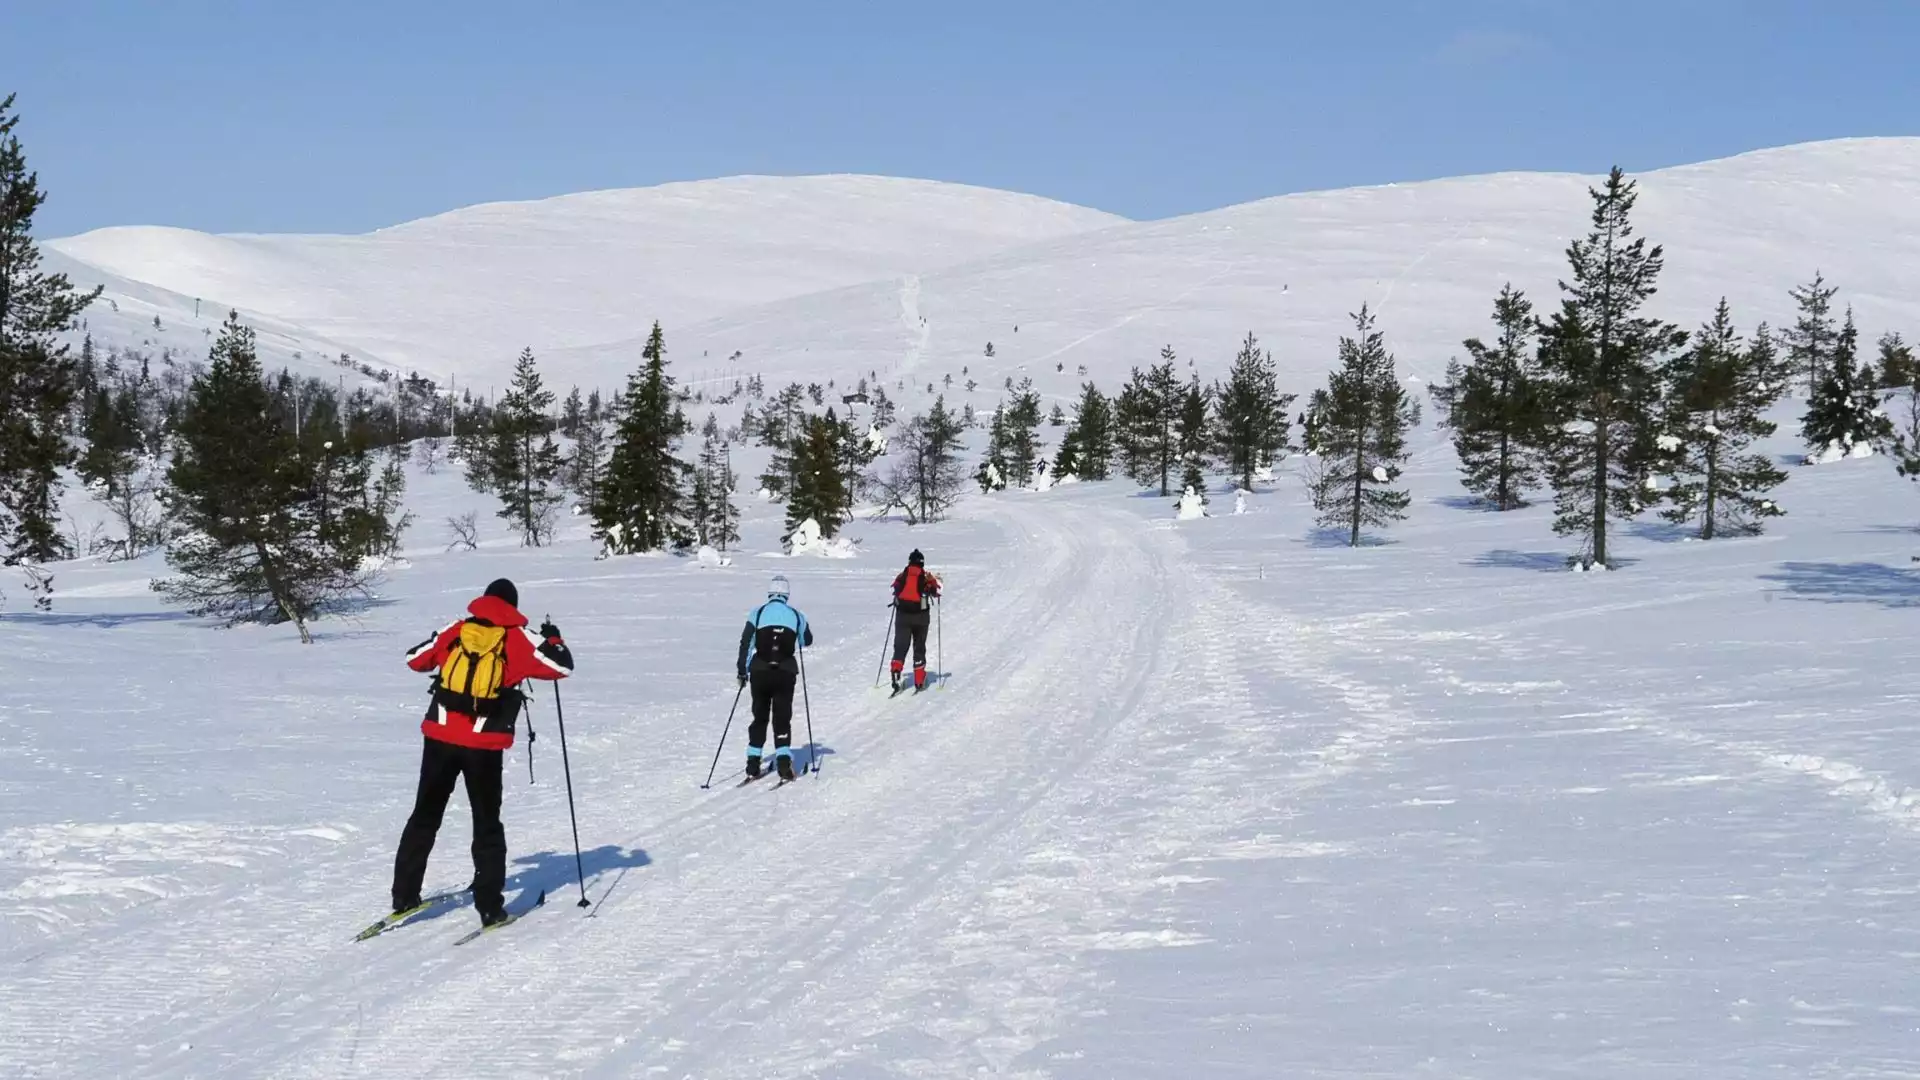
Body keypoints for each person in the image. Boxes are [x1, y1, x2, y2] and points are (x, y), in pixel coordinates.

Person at [392, 578, 574, 926]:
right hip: (484, 747)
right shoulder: (519, 638)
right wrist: (553, 638)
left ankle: (404, 897)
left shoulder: (459, 629)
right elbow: (561, 667)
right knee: (486, 823)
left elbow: (415, 659)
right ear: (513, 606)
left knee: (425, 815)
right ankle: (490, 908)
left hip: (439, 739)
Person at [736, 574, 813, 781]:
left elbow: (745, 643)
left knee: (759, 716)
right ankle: (783, 763)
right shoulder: (796, 615)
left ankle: (753, 762)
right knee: (782, 716)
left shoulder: (758, 613)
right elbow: (807, 640)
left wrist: (742, 671)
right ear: (787, 595)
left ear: (770, 593)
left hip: (759, 671)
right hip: (785, 672)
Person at [889, 549, 941, 692]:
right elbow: (935, 591)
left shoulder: (903, 575)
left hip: (902, 616)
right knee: (919, 646)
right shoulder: (925, 576)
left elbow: (895, 588)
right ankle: (919, 680)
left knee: (900, 645)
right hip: (921, 617)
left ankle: (896, 671)